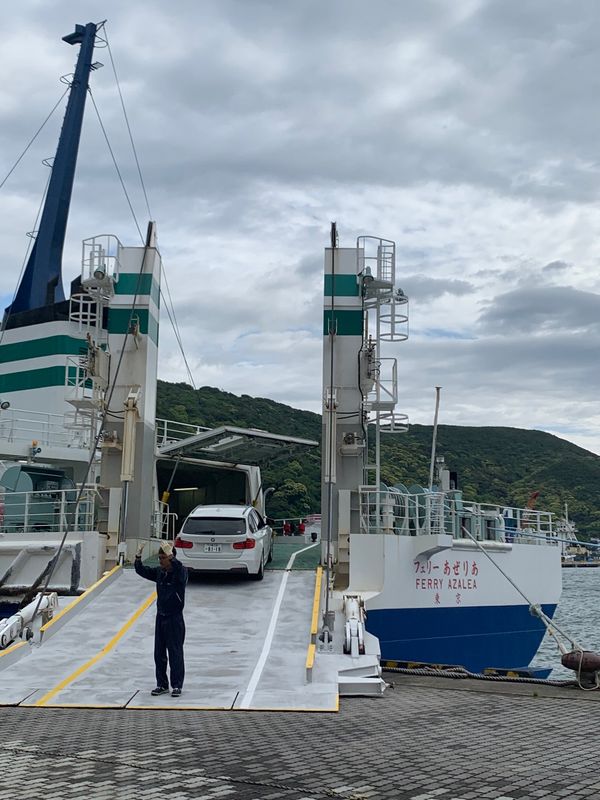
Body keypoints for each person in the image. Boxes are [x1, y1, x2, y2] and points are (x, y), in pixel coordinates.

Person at [134, 541, 187, 697]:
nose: (161, 561)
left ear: (170, 557)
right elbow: (142, 571)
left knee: (175, 653)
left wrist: (171, 556)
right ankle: (161, 684)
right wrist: (138, 556)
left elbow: (180, 569)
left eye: (163, 558)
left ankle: (177, 685)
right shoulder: (160, 573)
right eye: (160, 558)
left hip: (174, 618)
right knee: (159, 653)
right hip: (161, 617)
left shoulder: (180, 573)